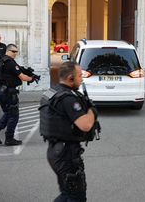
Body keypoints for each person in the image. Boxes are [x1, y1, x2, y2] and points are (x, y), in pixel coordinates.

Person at [39, 61, 97, 202]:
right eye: (79, 75)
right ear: (71, 78)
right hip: (66, 155)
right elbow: (86, 125)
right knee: (76, 197)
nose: (81, 79)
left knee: (67, 194)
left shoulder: (52, 92)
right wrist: (92, 110)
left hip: (56, 151)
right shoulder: (68, 99)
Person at [0, 44, 33, 146]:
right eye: (13, 51)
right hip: (8, 92)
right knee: (14, 115)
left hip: (0, 91)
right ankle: (9, 138)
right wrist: (32, 78)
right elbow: (23, 77)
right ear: (8, 51)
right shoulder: (9, 62)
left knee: (9, 113)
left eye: (16, 52)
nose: (15, 54)